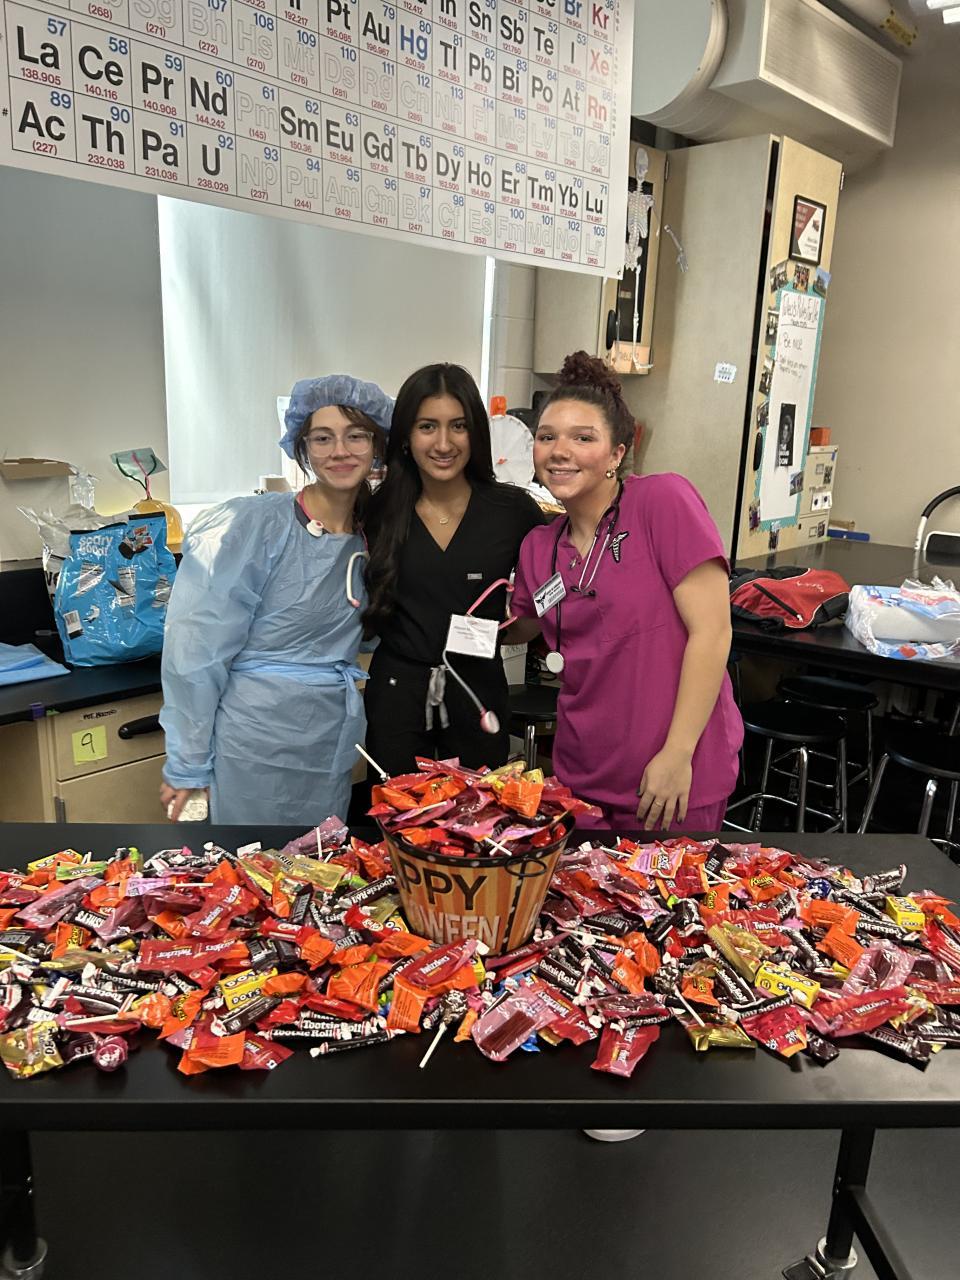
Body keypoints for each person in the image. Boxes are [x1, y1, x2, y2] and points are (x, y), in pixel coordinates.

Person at [507, 351, 743, 833]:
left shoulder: (661, 502)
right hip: (580, 773)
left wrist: (677, 754)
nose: (560, 451)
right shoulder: (540, 547)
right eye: (547, 437)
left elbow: (713, 633)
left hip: (670, 776)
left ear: (616, 454)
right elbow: (520, 626)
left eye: (583, 438)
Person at [159, 375, 393, 824]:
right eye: (322, 438)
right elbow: (195, 652)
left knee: (318, 859)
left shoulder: (374, 535)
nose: (339, 451)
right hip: (254, 738)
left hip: (329, 735)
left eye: (356, 436)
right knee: (250, 860)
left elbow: (362, 633)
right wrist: (188, 763)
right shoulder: (254, 526)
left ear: (377, 445)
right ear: (302, 447)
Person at [362, 363, 544, 774]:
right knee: (398, 810)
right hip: (397, 695)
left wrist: (518, 628)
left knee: (477, 811)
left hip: (477, 694)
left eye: (458, 426)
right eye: (427, 426)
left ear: (475, 432)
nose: (443, 443)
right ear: (406, 435)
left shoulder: (512, 511)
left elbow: (556, 583)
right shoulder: (377, 511)